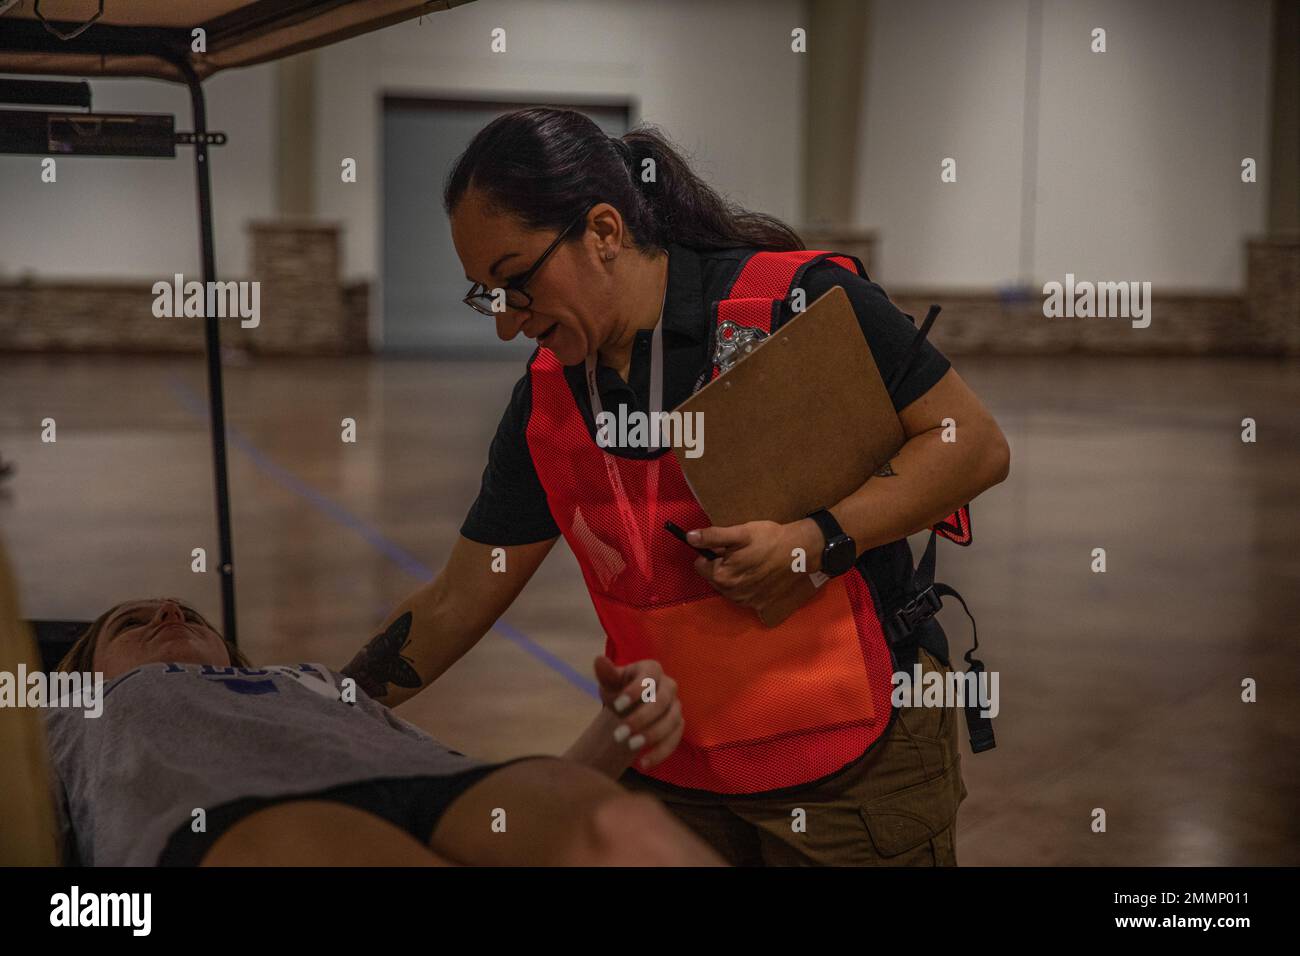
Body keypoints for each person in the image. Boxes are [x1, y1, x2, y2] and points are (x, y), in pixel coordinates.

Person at [343, 107, 1011, 865]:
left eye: (515, 283)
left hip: (854, 775)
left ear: (602, 232)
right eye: (486, 296)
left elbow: (973, 445)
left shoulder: (791, 307)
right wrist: (315, 711)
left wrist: (814, 542)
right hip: (676, 770)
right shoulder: (553, 400)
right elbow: (457, 599)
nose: (506, 324)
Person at [43, 597, 722, 866]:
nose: (168, 610)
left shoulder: (308, 681)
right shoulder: (70, 716)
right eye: (133, 623)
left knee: (624, 831)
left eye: (191, 615)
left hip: (430, 787)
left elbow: (469, 786)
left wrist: (619, 726)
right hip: (234, 817)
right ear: (85, 671)